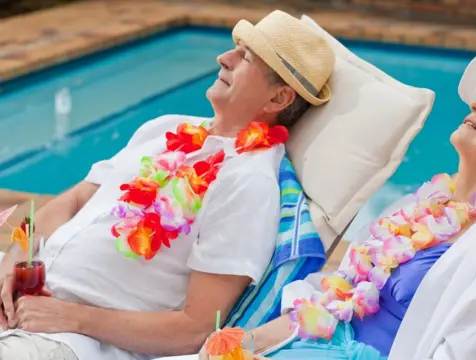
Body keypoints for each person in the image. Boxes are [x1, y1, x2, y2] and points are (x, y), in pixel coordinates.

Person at [205, 45, 476, 360]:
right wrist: (250, 341)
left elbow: (474, 349)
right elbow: (334, 297)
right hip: (307, 342)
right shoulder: (421, 205)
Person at [0, 10, 336, 360]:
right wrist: (13, 263)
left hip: (66, 339)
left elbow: (195, 329)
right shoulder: (165, 128)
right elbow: (75, 199)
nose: (224, 58)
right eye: (235, 48)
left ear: (278, 99)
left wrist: (73, 317)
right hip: (19, 299)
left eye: (245, 57)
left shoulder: (247, 183)